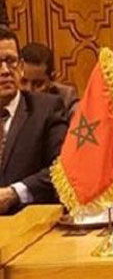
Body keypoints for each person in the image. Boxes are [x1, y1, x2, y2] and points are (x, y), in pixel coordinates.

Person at [0, 29, 68, 214]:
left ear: (21, 66)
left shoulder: (47, 109)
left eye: (11, 61)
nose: (5, 71)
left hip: (32, 221)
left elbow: (61, 169)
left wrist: (14, 193)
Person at [20, 42, 79, 120]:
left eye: (38, 84)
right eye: (23, 82)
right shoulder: (9, 97)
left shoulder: (67, 97)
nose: (29, 90)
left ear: (53, 79)